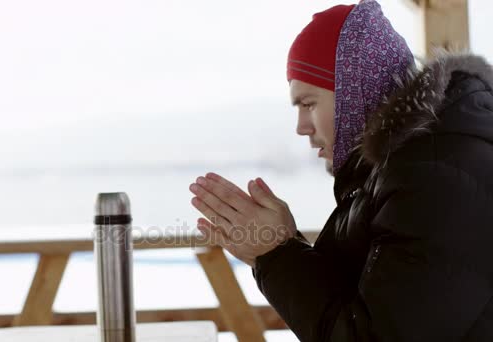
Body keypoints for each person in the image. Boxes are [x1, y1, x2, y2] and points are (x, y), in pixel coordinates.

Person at [188, 0, 493, 340]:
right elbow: (360, 304)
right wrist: (282, 249)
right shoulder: (399, 170)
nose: (301, 126)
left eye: (308, 103)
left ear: (355, 91)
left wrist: (277, 254)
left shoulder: (438, 176)